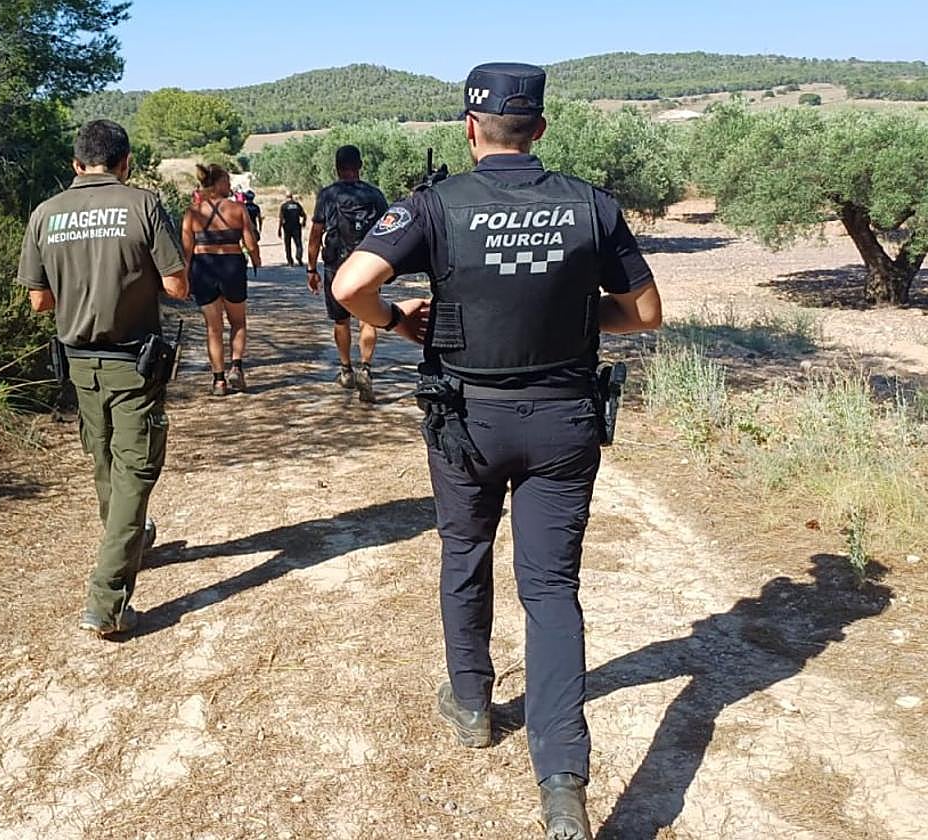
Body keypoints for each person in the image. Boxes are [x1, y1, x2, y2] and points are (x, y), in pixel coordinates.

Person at [331, 63, 663, 840]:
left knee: (464, 553)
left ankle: (473, 704)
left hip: (466, 424)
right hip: (561, 421)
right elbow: (645, 313)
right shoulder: (590, 204)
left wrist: (398, 321)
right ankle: (561, 782)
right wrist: (580, 318)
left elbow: (350, 285)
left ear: (469, 128)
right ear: (540, 129)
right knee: (550, 589)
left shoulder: (434, 206)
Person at [16, 119, 189, 639]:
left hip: (77, 362)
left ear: (76, 164)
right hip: (133, 362)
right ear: (126, 161)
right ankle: (107, 600)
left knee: (105, 459)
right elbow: (178, 286)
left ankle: (131, 538)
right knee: (136, 471)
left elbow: (39, 300)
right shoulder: (143, 205)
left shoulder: (45, 214)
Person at [306, 145, 389, 403]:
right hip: (367, 264)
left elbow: (316, 234)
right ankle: (366, 368)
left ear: (337, 167)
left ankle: (346, 370)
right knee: (368, 319)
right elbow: (388, 231)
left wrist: (311, 268)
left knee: (341, 320)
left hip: (336, 265)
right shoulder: (374, 194)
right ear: (360, 165)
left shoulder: (328, 195)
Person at [182, 164, 261, 396]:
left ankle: (218, 381)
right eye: (226, 181)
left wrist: (185, 280)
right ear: (216, 184)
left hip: (203, 269)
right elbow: (251, 244)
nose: (228, 185)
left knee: (213, 328)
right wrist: (256, 260)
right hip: (231, 267)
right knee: (238, 322)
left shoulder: (191, 213)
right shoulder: (237, 209)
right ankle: (236, 367)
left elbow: (186, 253)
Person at [277, 192, 307, 266]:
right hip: (296, 226)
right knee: (298, 243)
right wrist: (303, 222)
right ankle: (299, 256)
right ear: (292, 196)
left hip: (287, 227)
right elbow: (304, 215)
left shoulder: (284, 206)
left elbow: (281, 218)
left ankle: (290, 261)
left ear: (286, 197)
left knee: (288, 244)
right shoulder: (297, 205)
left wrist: (279, 229)